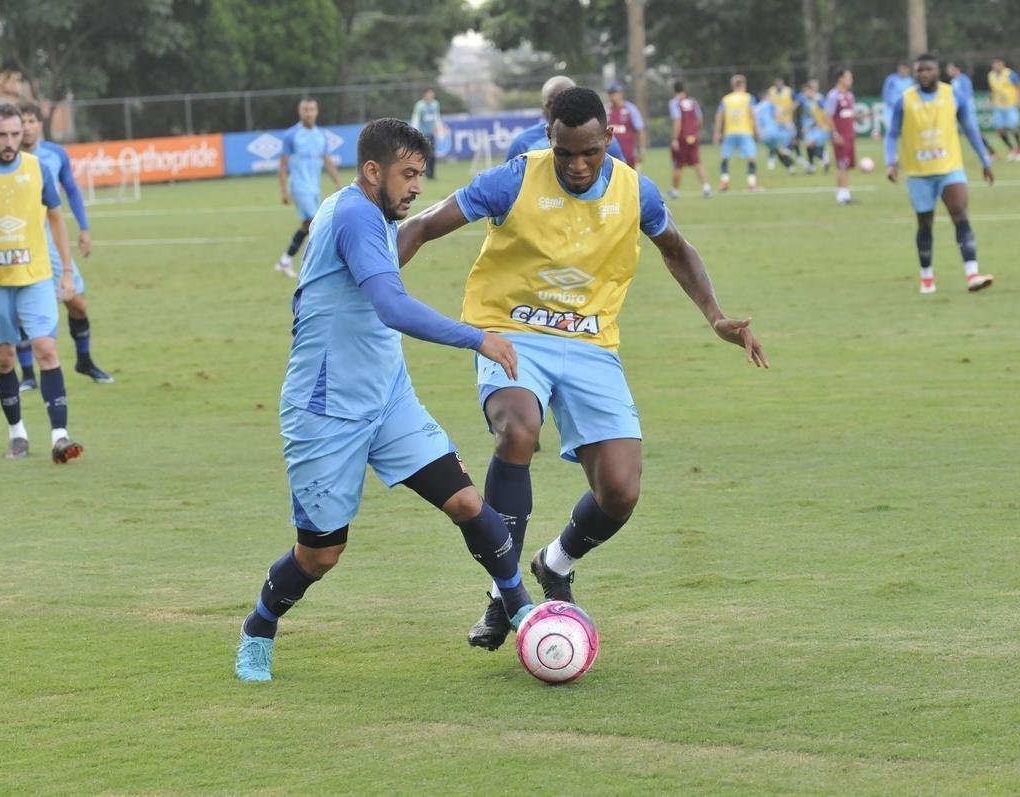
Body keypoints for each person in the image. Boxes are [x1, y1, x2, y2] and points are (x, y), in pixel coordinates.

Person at [397, 87, 767, 652]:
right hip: (513, 333)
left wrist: (716, 317)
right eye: (565, 152)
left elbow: (677, 249)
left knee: (620, 490)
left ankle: (556, 561)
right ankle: (506, 596)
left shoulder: (633, 190)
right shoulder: (514, 179)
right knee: (518, 430)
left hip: (592, 343)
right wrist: (367, 287)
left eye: (589, 152)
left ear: (608, 141)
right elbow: (421, 226)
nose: (576, 165)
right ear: (550, 138)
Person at [234, 119, 534, 682]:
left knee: (468, 503)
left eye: (421, 174)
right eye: (409, 174)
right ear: (373, 171)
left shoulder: (368, 214)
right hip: (325, 410)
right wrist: (480, 337)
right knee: (320, 555)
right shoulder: (350, 215)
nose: (417, 185)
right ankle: (259, 626)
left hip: (388, 398)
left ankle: (521, 608)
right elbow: (393, 308)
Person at [0, 103, 83, 463]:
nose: (10, 142)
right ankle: (17, 433)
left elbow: (56, 218)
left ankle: (60, 437)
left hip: (35, 276)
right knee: (4, 358)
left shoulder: (37, 169)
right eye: (2, 135)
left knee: (46, 348)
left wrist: (64, 271)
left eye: (16, 134)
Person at [15, 102, 114, 390]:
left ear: (39, 124)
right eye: (22, 122)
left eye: (32, 120)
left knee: (77, 302)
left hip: (50, 240)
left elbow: (70, 188)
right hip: (19, 242)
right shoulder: (7, 160)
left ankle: (84, 360)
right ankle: (28, 375)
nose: (27, 127)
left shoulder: (55, 154)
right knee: (21, 309)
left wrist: (84, 228)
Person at [886, 54, 995, 295]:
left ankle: (972, 273)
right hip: (918, 173)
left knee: (960, 214)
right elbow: (892, 134)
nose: (923, 74)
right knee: (925, 223)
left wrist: (984, 160)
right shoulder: (904, 100)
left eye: (928, 69)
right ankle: (926, 276)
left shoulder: (952, 95)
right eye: (919, 70)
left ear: (937, 72)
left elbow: (970, 128)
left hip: (949, 168)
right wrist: (890, 162)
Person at [273, 98, 342, 278]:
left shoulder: (321, 135)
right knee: (315, 223)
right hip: (299, 187)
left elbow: (326, 159)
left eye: (312, 109)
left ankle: (285, 260)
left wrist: (337, 181)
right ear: (300, 112)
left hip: (314, 188)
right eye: (305, 110)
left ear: (317, 111)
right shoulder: (292, 135)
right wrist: (284, 191)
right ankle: (318, 267)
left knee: (306, 225)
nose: (309, 113)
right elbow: (282, 165)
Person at [505, 75, 627, 163]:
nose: (560, 108)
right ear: (543, 105)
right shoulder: (522, 143)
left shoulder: (601, 139)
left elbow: (621, 181)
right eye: (552, 103)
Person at [713, 74, 759, 191]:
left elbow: (719, 116)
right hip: (745, 131)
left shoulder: (726, 99)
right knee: (751, 158)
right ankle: (752, 184)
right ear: (744, 84)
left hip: (730, 132)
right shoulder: (749, 98)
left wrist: (717, 132)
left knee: (725, 158)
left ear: (732, 85)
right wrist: (756, 130)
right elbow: (753, 115)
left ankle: (724, 182)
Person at [667, 81, 711, 199]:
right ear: (684, 89)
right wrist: (696, 131)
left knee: (678, 164)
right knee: (697, 162)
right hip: (693, 136)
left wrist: (675, 138)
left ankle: (675, 190)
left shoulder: (674, 103)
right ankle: (706, 187)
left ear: (674, 90)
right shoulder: (693, 102)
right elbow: (699, 119)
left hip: (681, 137)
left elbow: (677, 120)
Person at [945, 63, 997, 157]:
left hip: (966, 111)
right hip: (957, 111)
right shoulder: (953, 81)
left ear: (957, 69)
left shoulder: (963, 79)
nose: (948, 71)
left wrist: (960, 105)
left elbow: (967, 94)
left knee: (974, 132)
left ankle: (991, 152)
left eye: (950, 69)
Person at [824, 67, 857, 205]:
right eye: (848, 77)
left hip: (850, 135)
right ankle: (842, 196)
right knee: (842, 165)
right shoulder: (833, 95)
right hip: (840, 135)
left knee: (847, 165)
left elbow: (850, 116)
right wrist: (834, 133)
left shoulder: (850, 96)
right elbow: (828, 115)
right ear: (840, 79)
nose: (851, 80)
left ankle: (845, 194)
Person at [988, 58, 1020, 161]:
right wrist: (990, 101)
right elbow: (992, 90)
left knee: (1013, 127)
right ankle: (1011, 149)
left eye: (998, 64)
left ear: (1002, 64)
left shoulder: (1010, 74)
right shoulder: (991, 75)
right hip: (997, 105)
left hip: (1010, 104)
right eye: (994, 64)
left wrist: (1019, 99)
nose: (996, 66)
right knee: (999, 130)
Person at [605, 83, 648, 169]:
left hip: (629, 153)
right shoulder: (605, 109)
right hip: (609, 155)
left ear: (621, 94)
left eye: (615, 93)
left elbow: (640, 129)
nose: (613, 96)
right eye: (610, 94)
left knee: (631, 179)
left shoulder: (630, 109)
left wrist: (641, 150)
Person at [754, 92, 796, 175]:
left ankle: (790, 167)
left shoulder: (756, 107)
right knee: (790, 137)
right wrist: (787, 125)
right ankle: (788, 149)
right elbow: (778, 115)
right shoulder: (770, 105)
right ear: (767, 97)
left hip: (763, 136)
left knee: (777, 150)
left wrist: (757, 133)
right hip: (774, 132)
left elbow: (753, 121)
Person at [764, 77, 798, 169]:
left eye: (780, 82)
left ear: (782, 82)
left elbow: (796, 101)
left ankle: (790, 153)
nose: (778, 84)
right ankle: (771, 158)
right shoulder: (771, 91)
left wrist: (791, 109)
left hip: (787, 120)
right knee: (774, 141)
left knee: (792, 137)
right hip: (775, 121)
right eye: (777, 82)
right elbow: (767, 102)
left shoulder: (788, 91)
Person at [799, 81, 831, 173]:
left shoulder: (818, 99)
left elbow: (826, 111)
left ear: (811, 90)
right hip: (813, 127)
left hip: (821, 128)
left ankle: (824, 158)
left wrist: (823, 122)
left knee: (810, 145)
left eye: (806, 91)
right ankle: (812, 165)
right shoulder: (809, 100)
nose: (805, 94)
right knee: (809, 146)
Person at [410, 88, 441, 179]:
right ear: (425, 95)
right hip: (423, 134)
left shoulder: (435, 104)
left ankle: (432, 174)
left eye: (432, 94)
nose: (431, 96)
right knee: (425, 154)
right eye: (429, 94)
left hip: (431, 133)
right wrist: (415, 132)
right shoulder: (420, 105)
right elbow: (416, 118)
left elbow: (437, 117)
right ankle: (426, 173)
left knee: (433, 154)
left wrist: (439, 129)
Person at [880, 63, 915, 138]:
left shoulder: (910, 81)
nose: (905, 71)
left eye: (906, 70)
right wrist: (890, 103)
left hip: (905, 109)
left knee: (907, 131)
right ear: (899, 69)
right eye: (903, 69)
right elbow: (885, 93)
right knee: (891, 130)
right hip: (891, 110)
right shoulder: (891, 79)